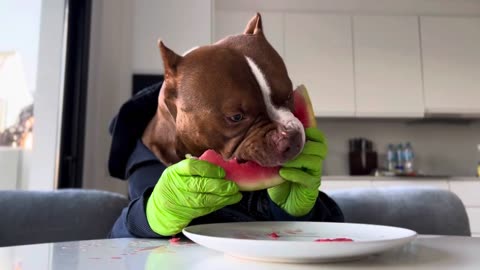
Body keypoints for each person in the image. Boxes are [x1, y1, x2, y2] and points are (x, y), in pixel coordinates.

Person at [108, 82, 344, 238]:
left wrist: (297, 214)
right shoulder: (146, 162)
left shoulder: (261, 141)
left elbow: (337, 233)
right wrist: (148, 216)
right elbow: (115, 240)